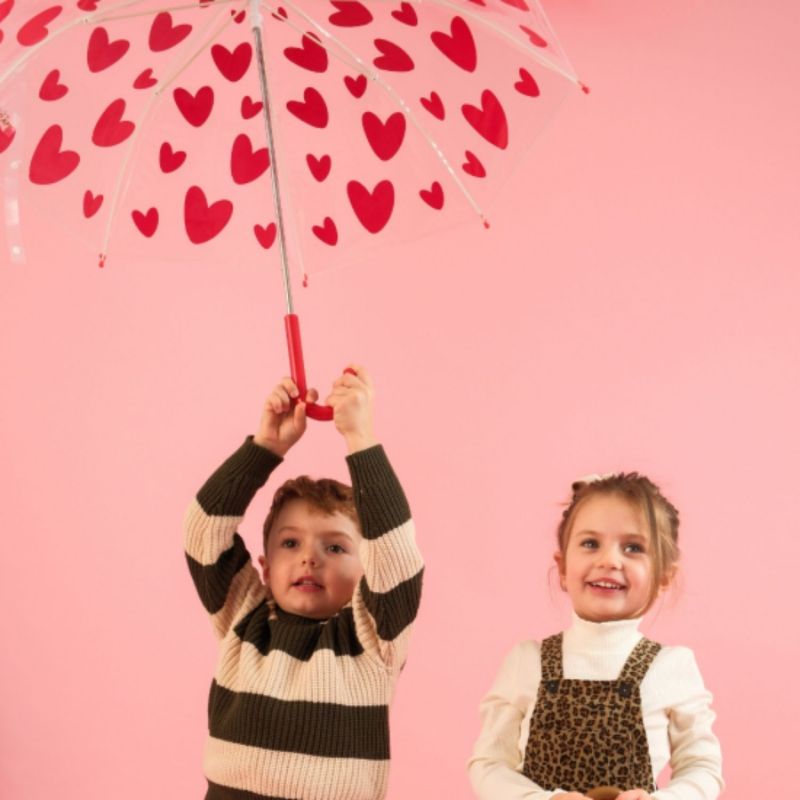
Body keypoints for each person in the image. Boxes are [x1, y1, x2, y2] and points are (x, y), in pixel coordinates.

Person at [184, 367, 423, 800]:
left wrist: (361, 439)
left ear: (367, 571)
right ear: (265, 565)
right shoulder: (242, 616)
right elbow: (203, 534)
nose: (309, 557)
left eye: (334, 548)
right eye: (290, 543)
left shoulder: (372, 642)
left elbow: (397, 558)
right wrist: (265, 448)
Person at [468, 473, 723, 800]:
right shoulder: (526, 661)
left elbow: (702, 767)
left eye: (633, 548)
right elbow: (489, 763)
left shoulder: (673, 666)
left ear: (663, 577)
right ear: (562, 568)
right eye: (590, 544)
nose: (609, 560)